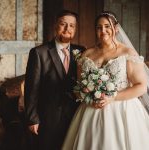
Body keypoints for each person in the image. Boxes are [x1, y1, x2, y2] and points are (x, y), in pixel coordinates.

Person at [62, 11, 149, 150]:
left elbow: (141, 87)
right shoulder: (86, 54)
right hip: (91, 111)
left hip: (122, 111)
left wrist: (113, 97)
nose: (103, 31)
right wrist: (88, 96)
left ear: (116, 28)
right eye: (99, 27)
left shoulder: (127, 53)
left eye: (107, 26)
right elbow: (79, 88)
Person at [24, 10, 86, 150]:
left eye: (71, 26)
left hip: (76, 115)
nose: (67, 29)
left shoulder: (81, 51)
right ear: (56, 26)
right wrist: (32, 118)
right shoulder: (39, 53)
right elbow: (31, 88)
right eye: (63, 24)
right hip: (49, 117)